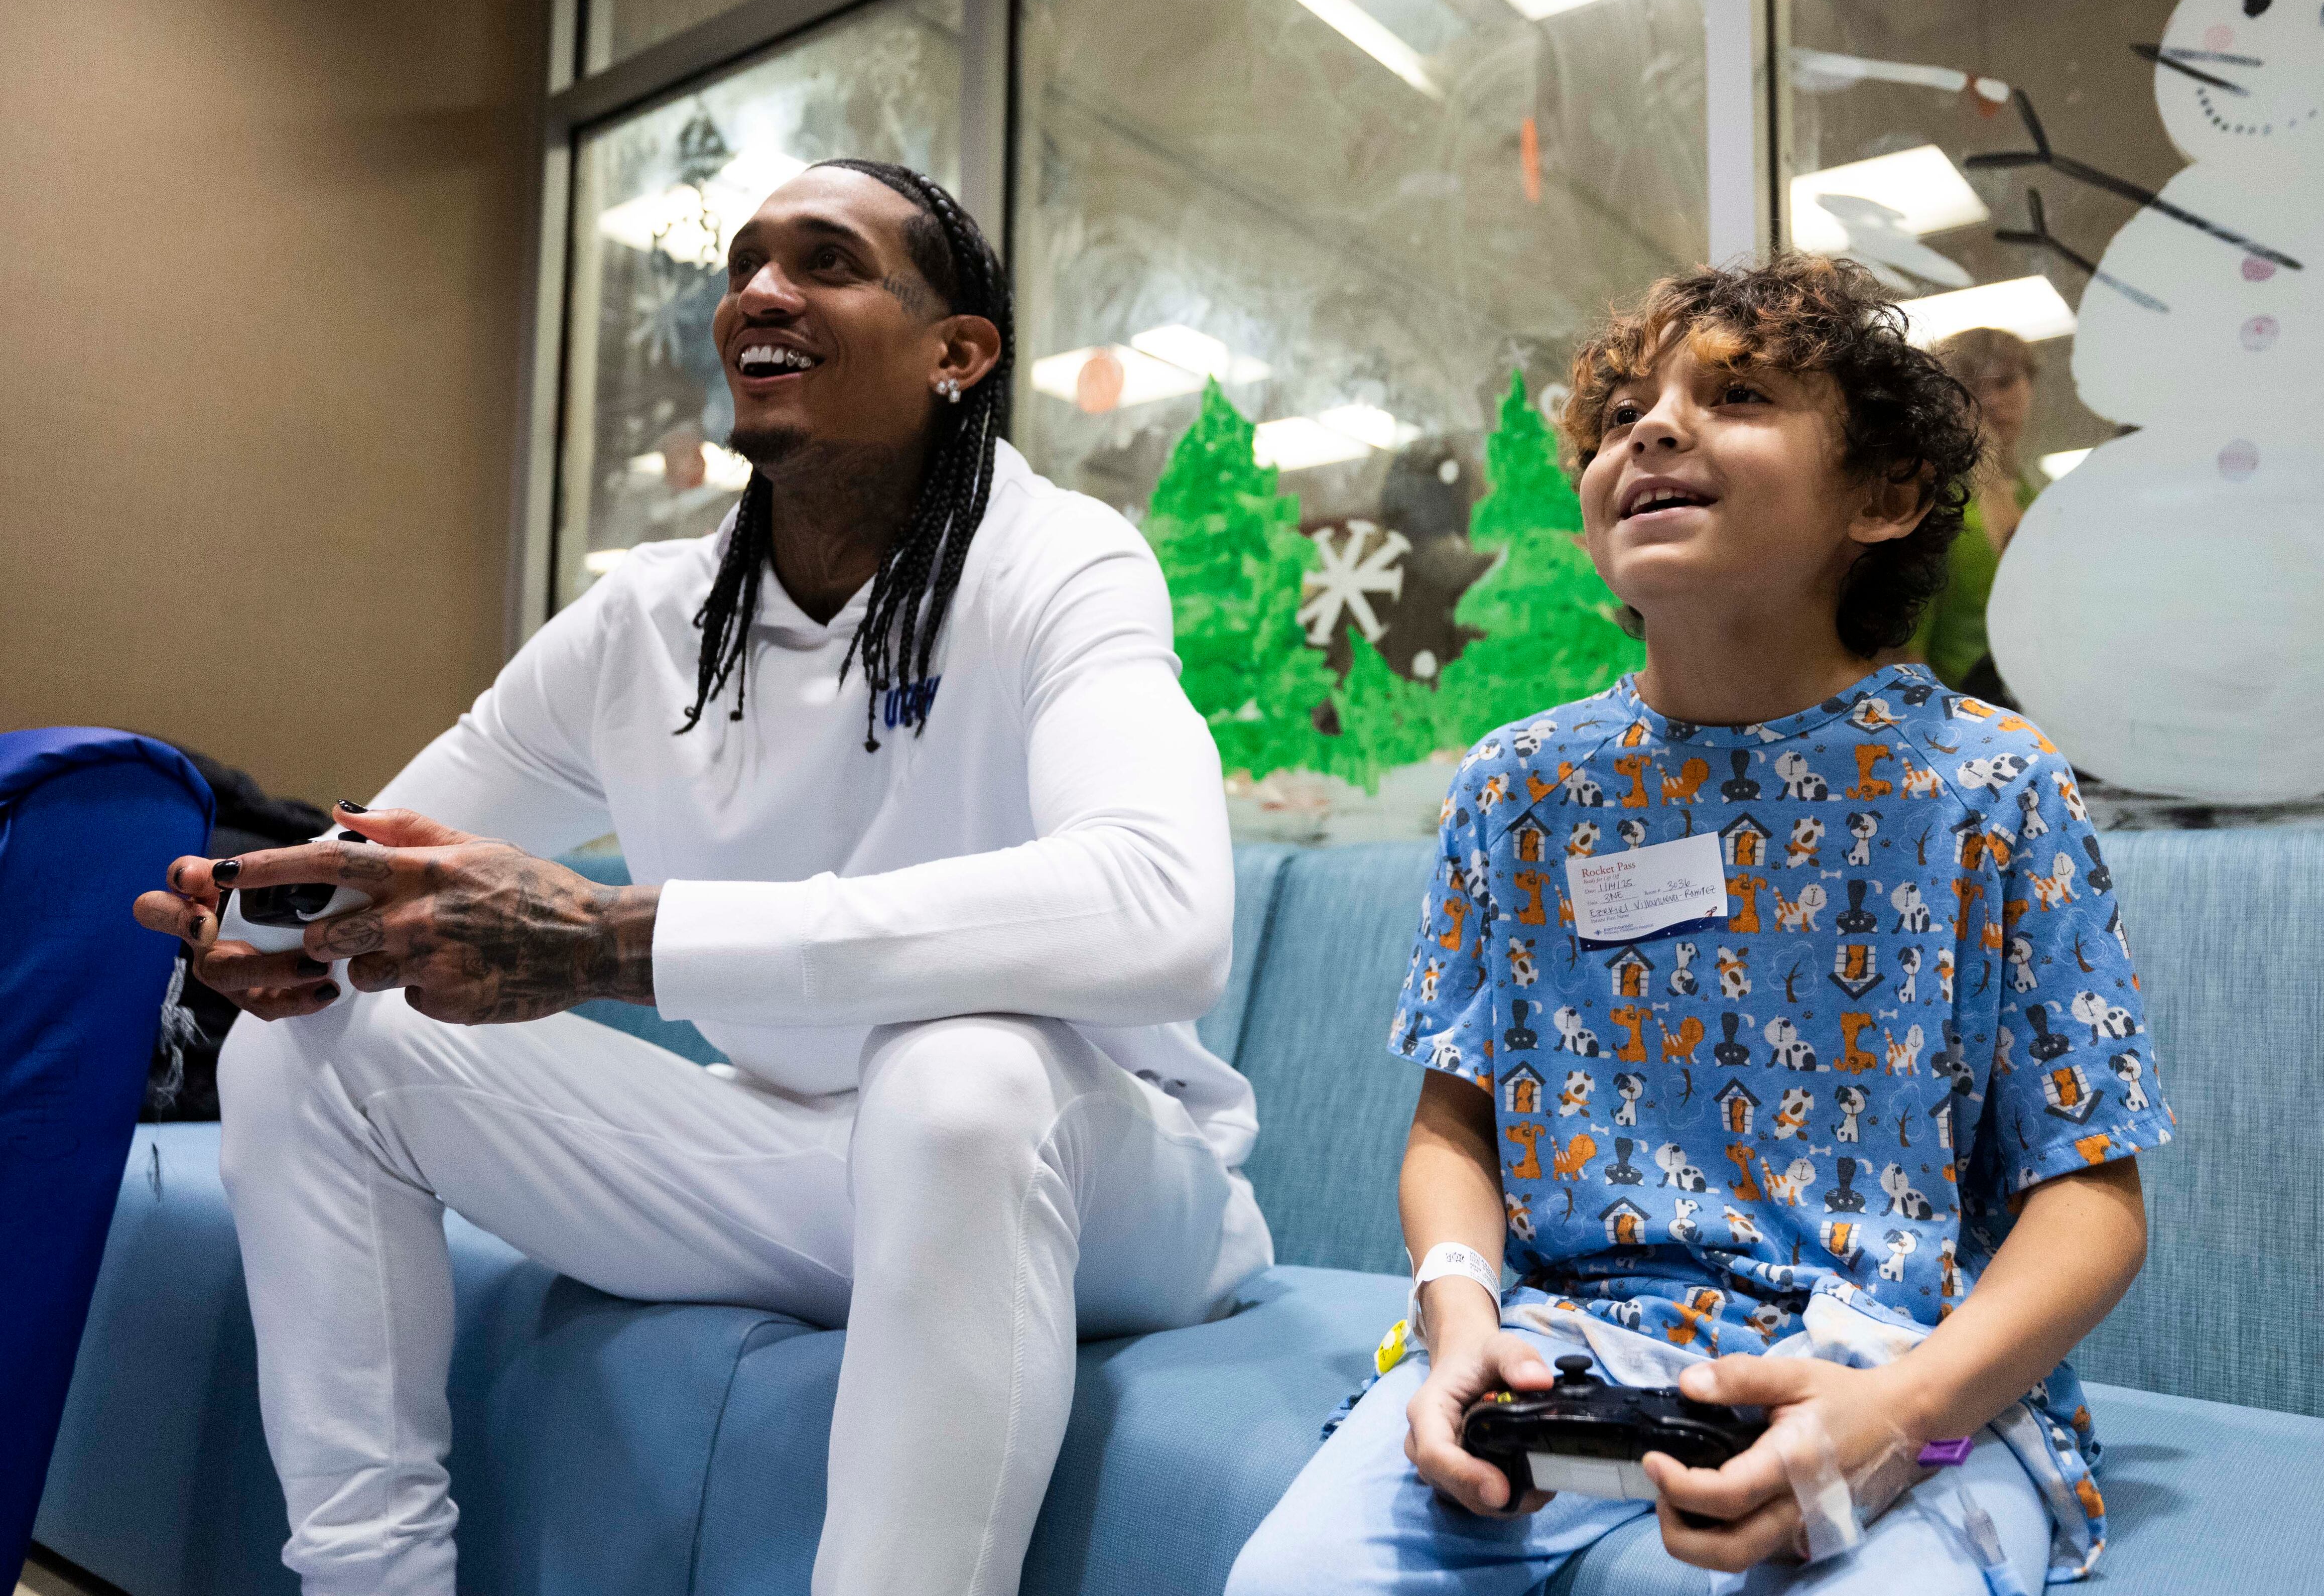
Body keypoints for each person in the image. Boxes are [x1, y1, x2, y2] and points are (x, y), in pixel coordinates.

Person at [133, 161, 1271, 1596]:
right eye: (745, 263)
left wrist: (622, 940)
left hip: (1099, 1183)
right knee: (322, 1052)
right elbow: (386, 856)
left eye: (827, 261)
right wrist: (268, 927)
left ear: (957, 354)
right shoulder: (649, 619)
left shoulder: (1060, 562)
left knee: (958, 1069)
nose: (761, 292)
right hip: (795, 1170)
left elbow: (1163, 914)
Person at [1227, 256, 2169, 1596]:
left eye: (1737, 397)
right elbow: (1457, 1127)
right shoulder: (1520, 792)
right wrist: (1458, 1317)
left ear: (1886, 496)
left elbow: (2091, 1193)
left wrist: (1905, 1412)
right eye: (1619, 417)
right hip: (1568, 1351)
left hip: (1902, 1364)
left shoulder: (1990, 787)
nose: (1651, 429)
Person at [1906, 326, 2039, 691]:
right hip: (1962, 709)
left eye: (2006, 383)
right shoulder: (1930, 500)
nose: (1991, 401)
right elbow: (1905, 646)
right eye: (1973, 387)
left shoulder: (2040, 495)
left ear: (2030, 386)